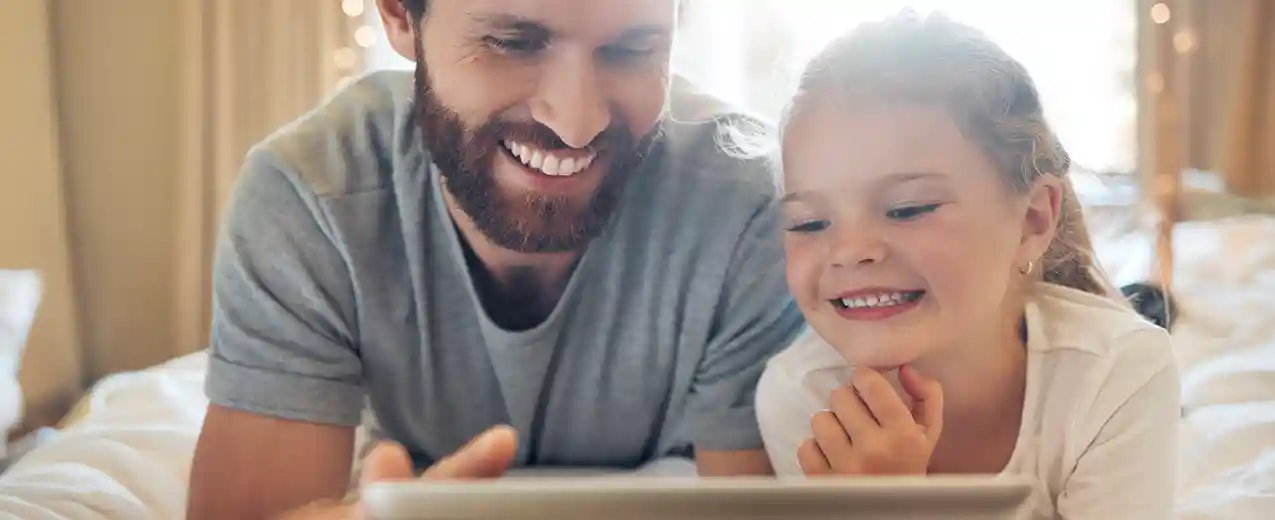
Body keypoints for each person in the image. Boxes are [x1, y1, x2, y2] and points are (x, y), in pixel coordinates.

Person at [185, 0, 805, 518]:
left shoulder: (756, 206)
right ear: (400, 15)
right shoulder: (313, 195)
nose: (577, 122)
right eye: (513, 42)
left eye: (632, 50)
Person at [754, 11, 1180, 520]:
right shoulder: (800, 397)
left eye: (908, 209)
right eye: (809, 223)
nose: (849, 250)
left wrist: (901, 509)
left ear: (1031, 219)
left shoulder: (1120, 372)